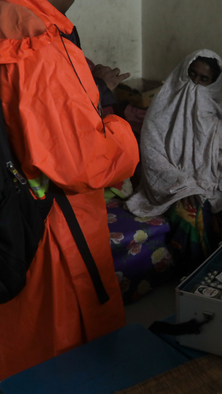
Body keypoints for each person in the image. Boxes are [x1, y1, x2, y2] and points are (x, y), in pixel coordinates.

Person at [0, 0, 139, 379]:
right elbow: (85, 163)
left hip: (14, 220)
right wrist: (119, 128)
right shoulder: (34, 37)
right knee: (62, 356)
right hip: (49, 226)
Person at [126, 49, 222, 272]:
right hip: (173, 182)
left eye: (203, 80)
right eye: (191, 74)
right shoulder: (162, 105)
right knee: (193, 216)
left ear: (213, 83)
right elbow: (153, 157)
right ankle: (200, 275)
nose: (194, 83)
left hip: (214, 178)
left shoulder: (220, 106)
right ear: (182, 72)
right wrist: (185, 186)